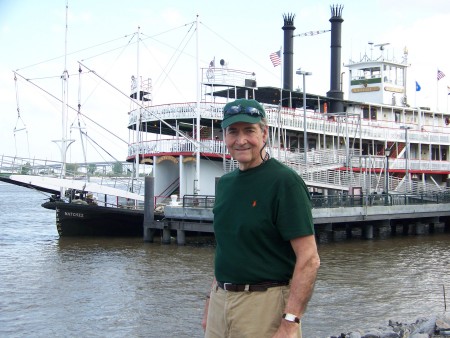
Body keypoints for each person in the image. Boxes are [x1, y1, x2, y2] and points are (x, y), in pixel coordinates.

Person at [202, 98, 320, 337]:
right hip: (220, 302)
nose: (241, 140)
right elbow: (227, 249)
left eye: (249, 130)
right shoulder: (225, 184)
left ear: (264, 133)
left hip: (264, 305)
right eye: (232, 131)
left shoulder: (284, 182)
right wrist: (209, 305)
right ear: (224, 136)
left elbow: (309, 259)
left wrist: (290, 322)